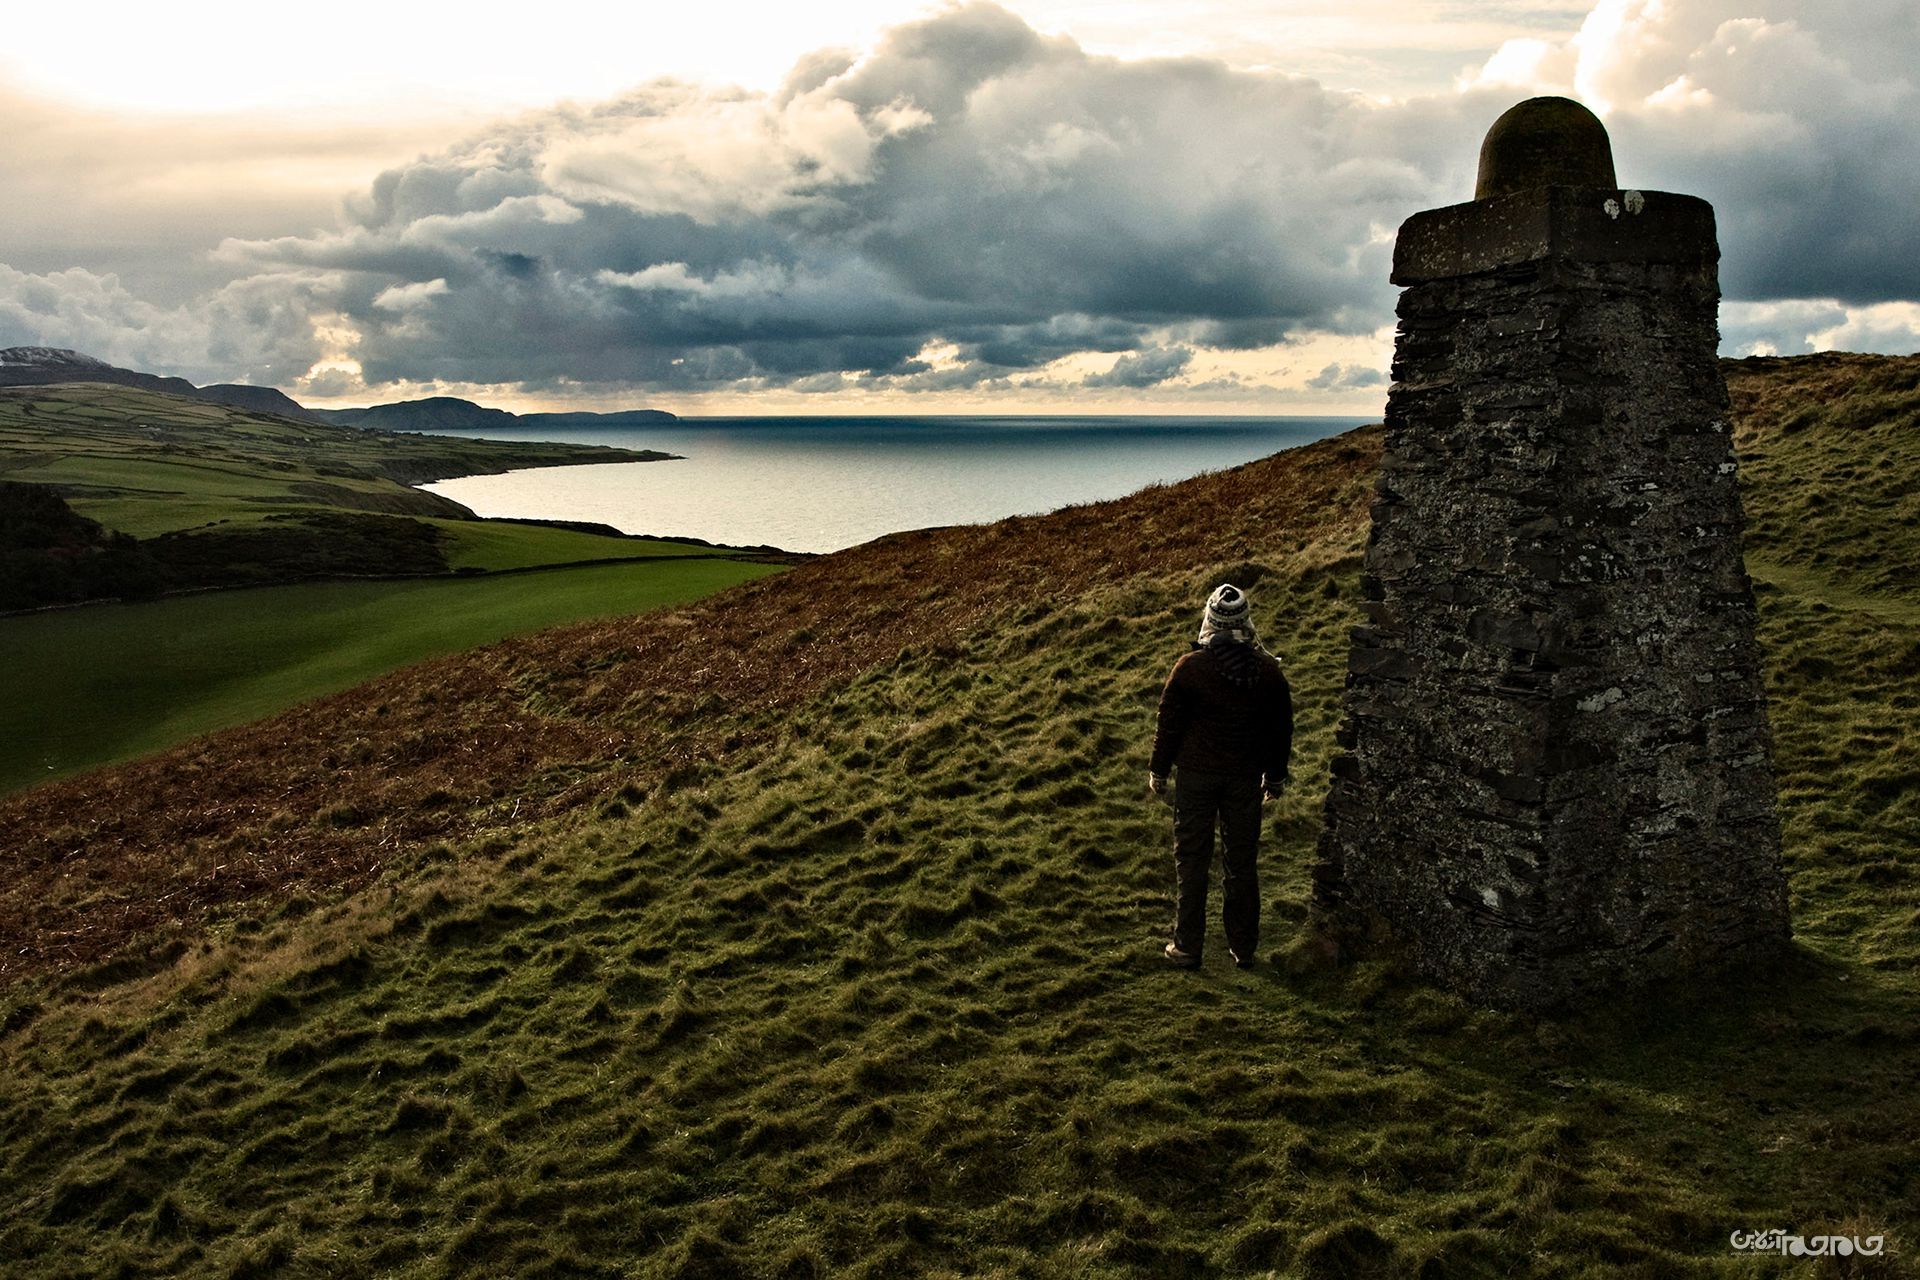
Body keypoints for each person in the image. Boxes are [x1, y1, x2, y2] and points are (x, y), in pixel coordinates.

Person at [1148, 583, 1294, 969]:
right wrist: (1275, 778)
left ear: (1209, 622)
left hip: (1196, 778)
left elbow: (1169, 724)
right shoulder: (1267, 674)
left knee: (1193, 860)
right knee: (1241, 862)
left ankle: (1187, 946)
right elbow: (1281, 731)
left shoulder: (1191, 669)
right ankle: (1243, 948)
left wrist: (1159, 771)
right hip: (1245, 779)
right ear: (1245, 622)